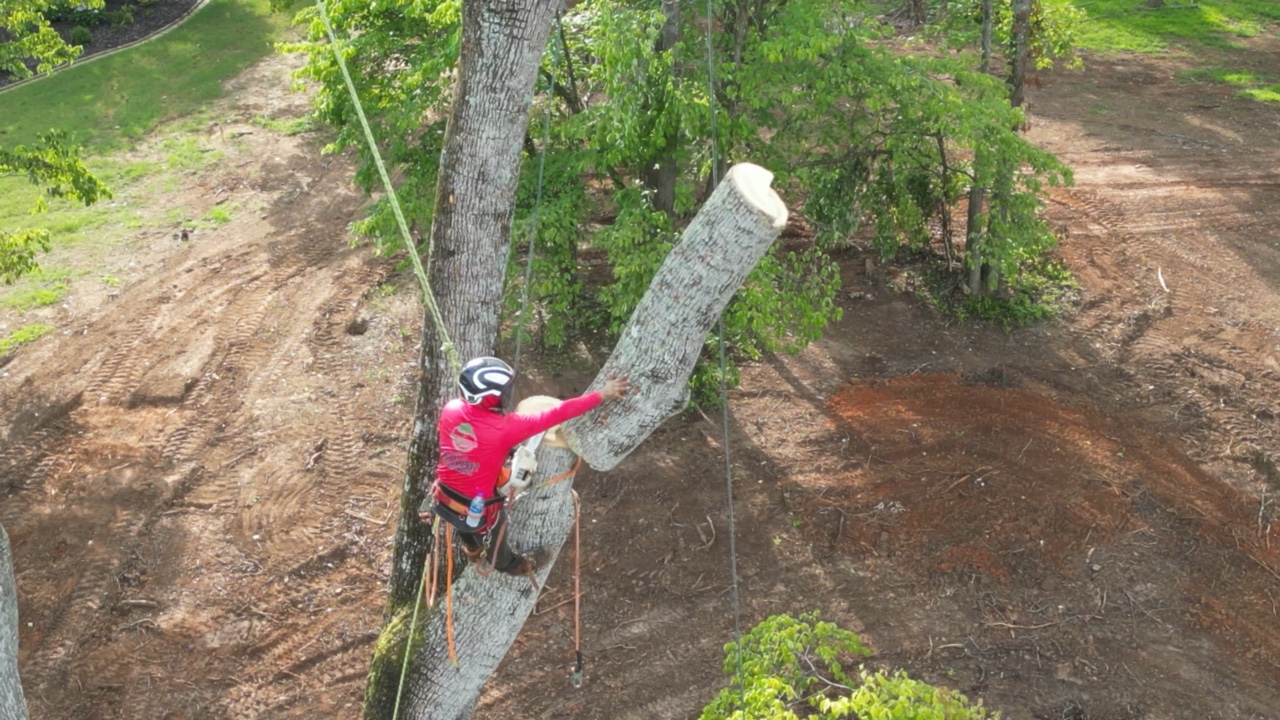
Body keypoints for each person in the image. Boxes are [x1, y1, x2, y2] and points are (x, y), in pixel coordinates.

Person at [422, 356, 630, 576]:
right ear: (491, 396)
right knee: (496, 545)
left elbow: (462, 440)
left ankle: (472, 549)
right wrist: (602, 394)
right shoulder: (506, 428)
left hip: (443, 498)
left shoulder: (451, 409)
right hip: (479, 511)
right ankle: (515, 566)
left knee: (462, 523)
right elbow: (558, 412)